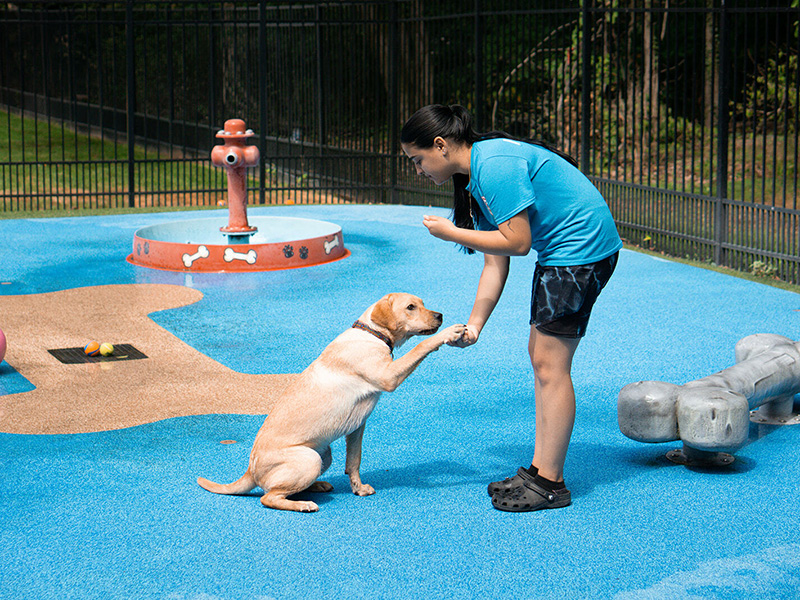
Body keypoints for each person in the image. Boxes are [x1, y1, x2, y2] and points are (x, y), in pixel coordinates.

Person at [400, 104, 622, 512]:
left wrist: (451, 231)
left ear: (440, 145)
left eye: (418, 160)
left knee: (551, 367)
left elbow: (517, 244)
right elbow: (494, 261)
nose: (418, 170)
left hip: (580, 252)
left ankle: (550, 483)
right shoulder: (476, 174)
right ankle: (541, 471)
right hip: (563, 254)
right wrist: (475, 325)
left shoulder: (495, 167)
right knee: (541, 360)